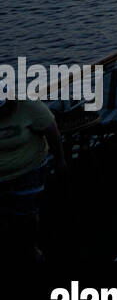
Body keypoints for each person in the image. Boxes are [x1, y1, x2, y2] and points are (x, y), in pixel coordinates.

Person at [0, 96, 66, 261]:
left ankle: (31, 248)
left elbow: (52, 132)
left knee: (27, 216)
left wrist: (60, 160)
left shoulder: (28, 107)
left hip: (28, 169)